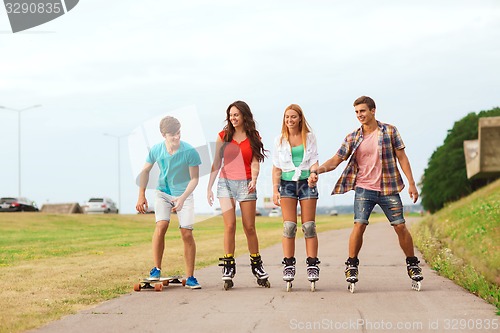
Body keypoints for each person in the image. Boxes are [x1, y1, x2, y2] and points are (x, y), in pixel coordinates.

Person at [309, 96, 423, 288]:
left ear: (373, 110)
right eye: (356, 112)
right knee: (359, 224)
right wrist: (316, 171)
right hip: (364, 188)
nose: (359, 115)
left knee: (400, 226)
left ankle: (412, 263)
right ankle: (351, 264)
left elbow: (402, 157)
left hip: (388, 188)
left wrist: (411, 183)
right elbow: (336, 160)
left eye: (362, 111)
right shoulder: (353, 137)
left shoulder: (390, 131)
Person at [207, 100, 270, 289]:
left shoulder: (254, 136)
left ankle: (257, 265)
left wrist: (254, 179)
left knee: (249, 227)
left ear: (244, 116)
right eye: (230, 115)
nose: (233, 118)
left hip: (247, 183)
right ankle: (228, 266)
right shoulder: (223, 136)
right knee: (230, 225)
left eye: (236, 115)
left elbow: (255, 161)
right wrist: (209, 187)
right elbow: (216, 163)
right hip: (225, 183)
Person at [136, 116, 202, 289]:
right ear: (163, 134)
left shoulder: (190, 151)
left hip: (185, 194)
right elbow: (145, 171)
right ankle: (156, 268)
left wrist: (182, 198)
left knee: (186, 233)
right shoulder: (157, 150)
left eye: (178, 133)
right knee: (161, 226)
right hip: (163, 193)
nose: (177, 137)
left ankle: (191, 277)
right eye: (172, 134)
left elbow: (194, 179)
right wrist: (141, 195)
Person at [272, 104, 321, 288]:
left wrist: (314, 174)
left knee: (309, 227)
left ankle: (312, 264)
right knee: (289, 226)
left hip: (307, 183)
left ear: (300, 118)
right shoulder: (279, 140)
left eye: (293, 117)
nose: (290, 120)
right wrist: (275, 189)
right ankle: (289, 264)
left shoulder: (309, 137)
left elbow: (315, 160)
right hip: (287, 185)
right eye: (287, 117)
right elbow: (276, 167)